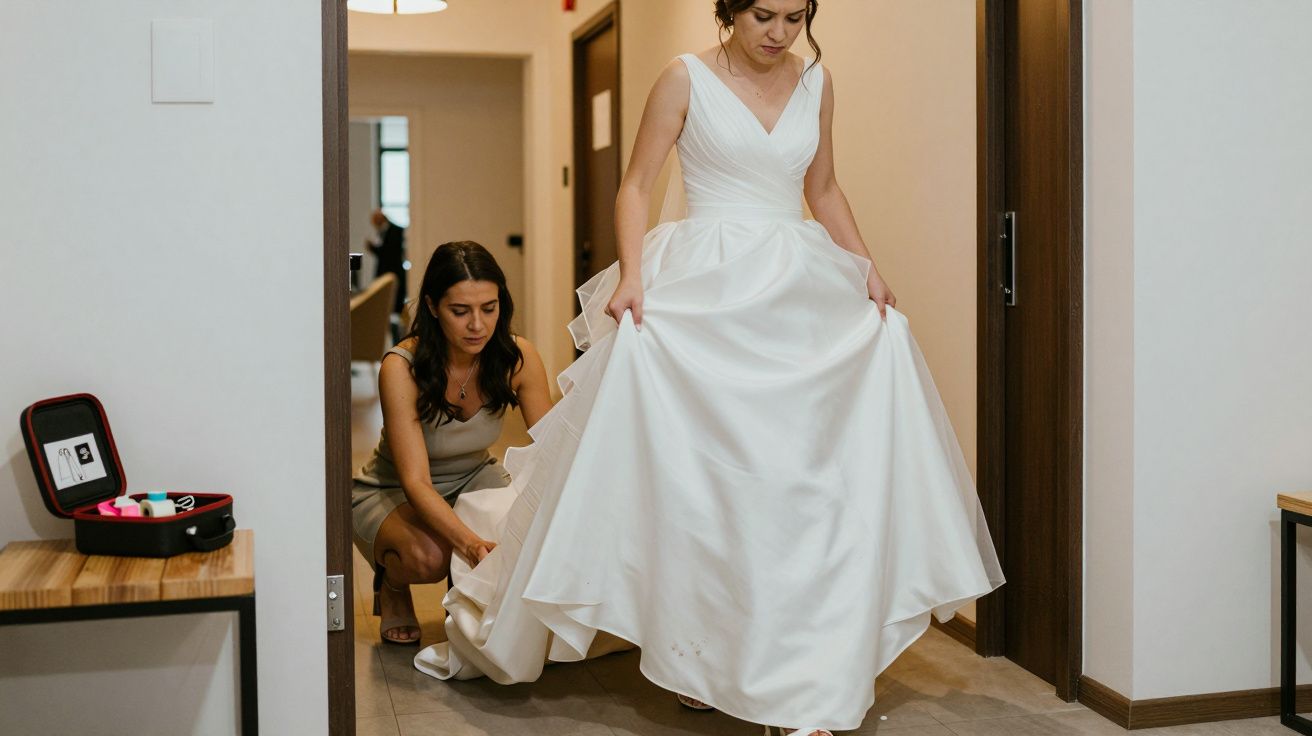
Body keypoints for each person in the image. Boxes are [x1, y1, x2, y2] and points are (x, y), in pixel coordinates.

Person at [414, 2, 1004, 735]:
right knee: (707, 492)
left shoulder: (818, 82)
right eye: (763, 14)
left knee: (797, 491)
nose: (779, 32)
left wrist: (869, 271)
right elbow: (637, 185)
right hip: (707, 287)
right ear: (730, 8)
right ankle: (700, 656)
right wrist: (632, 276)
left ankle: (801, 681)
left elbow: (822, 190)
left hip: (796, 291)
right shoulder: (683, 77)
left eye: (794, 17)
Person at [352, 240, 552, 645]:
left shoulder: (517, 356)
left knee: (526, 533)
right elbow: (416, 482)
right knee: (431, 556)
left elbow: (552, 448)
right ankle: (391, 586)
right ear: (431, 306)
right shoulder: (401, 367)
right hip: (394, 489)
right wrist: (470, 543)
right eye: (460, 311)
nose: (477, 325)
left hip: (475, 477)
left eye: (489, 308)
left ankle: (462, 603)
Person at [366, 209, 408, 316]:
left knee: (394, 304)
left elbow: (389, 253)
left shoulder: (396, 230)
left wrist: (373, 248)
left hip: (393, 272)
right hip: (386, 271)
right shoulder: (383, 232)